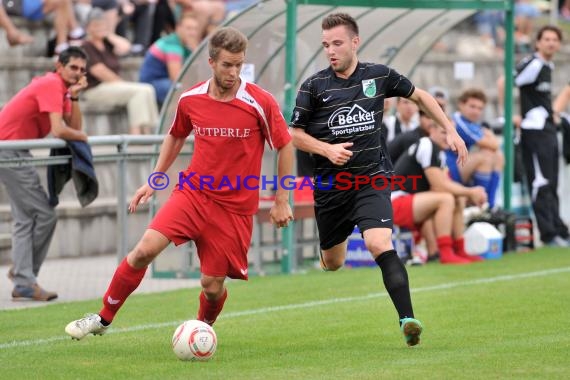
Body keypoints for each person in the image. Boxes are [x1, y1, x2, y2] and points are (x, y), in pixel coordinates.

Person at [65, 27, 294, 339]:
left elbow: (285, 145)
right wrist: (155, 179)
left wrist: (282, 200)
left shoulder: (259, 102)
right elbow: (175, 135)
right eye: (227, 64)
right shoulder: (191, 99)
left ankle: (201, 332)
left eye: (239, 64)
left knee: (212, 287)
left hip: (234, 208)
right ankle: (102, 318)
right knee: (144, 250)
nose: (234, 72)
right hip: (193, 193)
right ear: (211, 62)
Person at [290, 13, 468, 347]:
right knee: (333, 261)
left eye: (337, 43)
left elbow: (420, 96)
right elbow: (294, 135)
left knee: (378, 243)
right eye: (326, 45)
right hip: (331, 188)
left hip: (372, 179)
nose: (330, 50)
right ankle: (328, 252)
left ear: (355, 42)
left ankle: (407, 320)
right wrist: (327, 150)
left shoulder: (379, 75)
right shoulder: (313, 87)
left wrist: (450, 128)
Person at [0, 47, 89, 301]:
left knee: (24, 219)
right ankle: (23, 277)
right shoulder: (51, 83)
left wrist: (74, 97)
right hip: (8, 151)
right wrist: (83, 137)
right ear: (59, 66)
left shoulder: (62, 90)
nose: (77, 73)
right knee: (45, 213)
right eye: (73, 67)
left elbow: (73, 127)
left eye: (82, 70)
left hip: (15, 150)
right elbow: (61, 131)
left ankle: (22, 278)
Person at [392, 112, 488, 265]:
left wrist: (468, 194)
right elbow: (440, 185)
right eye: (444, 132)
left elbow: (446, 184)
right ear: (432, 130)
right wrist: (471, 191)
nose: (448, 137)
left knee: (457, 197)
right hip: (395, 202)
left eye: (451, 133)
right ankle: (445, 253)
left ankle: (459, 249)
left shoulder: (439, 152)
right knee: (446, 199)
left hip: (410, 202)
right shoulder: (427, 144)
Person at [514, 25, 569, 247]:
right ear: (537, 42)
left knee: (552, 181)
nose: (551, 43)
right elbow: (506, 82)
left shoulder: (547, 65)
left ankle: (558, 228)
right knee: (541, 182)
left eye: (554, 39)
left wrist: (553, 113)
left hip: (547, 129)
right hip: (534, 132)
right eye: (546, 39)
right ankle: (548, 234)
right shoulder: (533, 64)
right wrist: (511, 116)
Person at [81, 7, 159, 134]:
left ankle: (148, 131)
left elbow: (126, 47)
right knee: (138, 91)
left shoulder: (107, 44)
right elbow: (100, 72)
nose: (99, 28)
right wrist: (122, 83)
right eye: (96, 25)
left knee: (148, 89)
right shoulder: (86, 46)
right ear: (88, 27)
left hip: (111, 86)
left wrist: (109, 34)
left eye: (102, 25)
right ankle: (136, 134)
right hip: (95, 89)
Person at [445, 88, 503, 209]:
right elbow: (493, 144)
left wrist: (490, 138)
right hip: (448, 169)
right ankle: (482, 205)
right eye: (472, 106)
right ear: (461, 104)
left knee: (498, 156)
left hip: (461, 165)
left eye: (480, 108)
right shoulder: (458, 122)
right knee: (485, 156)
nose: (476, 111)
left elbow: (493, 145)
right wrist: (489, 136)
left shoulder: (470, 122)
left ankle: (490, 205)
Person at [139, 12, 202, 105]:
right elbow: (176, 77)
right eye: (188, 28)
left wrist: (195, 49)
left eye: (195, 29)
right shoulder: (172, 44)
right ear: (178, 28)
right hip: (150, 84)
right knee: (181, 89)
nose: (192, 33)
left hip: (164, 81)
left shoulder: (185, 45)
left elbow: (195, 73)